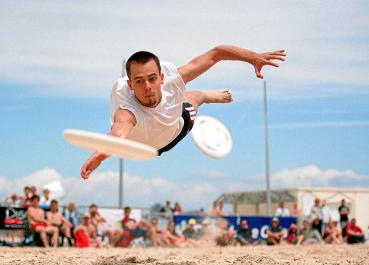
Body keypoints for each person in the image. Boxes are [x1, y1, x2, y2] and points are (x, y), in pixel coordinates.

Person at [81, 45, 286, 179]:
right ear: (130, 84)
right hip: (146, 146)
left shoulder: (174, 80)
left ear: (162, 77)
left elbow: (217, 53)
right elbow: (118, 133)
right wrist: (99, 156)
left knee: (191, 99)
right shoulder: (126, 109)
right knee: (185, 98)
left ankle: (204, 96)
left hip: (175, 129)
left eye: (152, 79)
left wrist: (253, 57)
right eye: (139, 81)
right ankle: (199, 95)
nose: (148, 87)